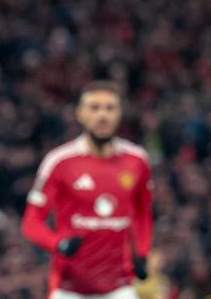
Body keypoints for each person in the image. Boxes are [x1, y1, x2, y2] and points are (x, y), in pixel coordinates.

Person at [21, 81, 153, 299]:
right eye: (94, 108)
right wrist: (58, 244)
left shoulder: (137, 161)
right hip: (69, 288)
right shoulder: (59, 162)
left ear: (119, 114)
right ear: (80, 114)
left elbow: (143, 213)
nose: (102, 115)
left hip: (120, 287)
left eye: (110, 108)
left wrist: (142, 252)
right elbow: (31, 222)